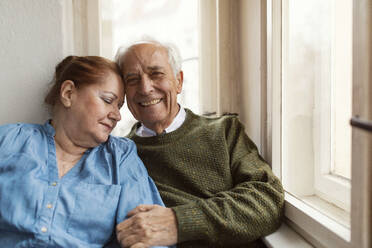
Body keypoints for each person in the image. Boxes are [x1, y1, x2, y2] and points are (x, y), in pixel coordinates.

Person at [114, 40, 285, 248]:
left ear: (179, 81)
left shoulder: (224, 131)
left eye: (156, 74)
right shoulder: (119, 156)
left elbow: (266, 200)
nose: (145, 88)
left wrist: (179, 222)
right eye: (132, 80)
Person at [0, 55, 168, 248]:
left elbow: (147, 232)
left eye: (119, 106)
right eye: (107, 100)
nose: (117, 116)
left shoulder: (120, 157)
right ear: (69, 93)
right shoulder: (9, 141)